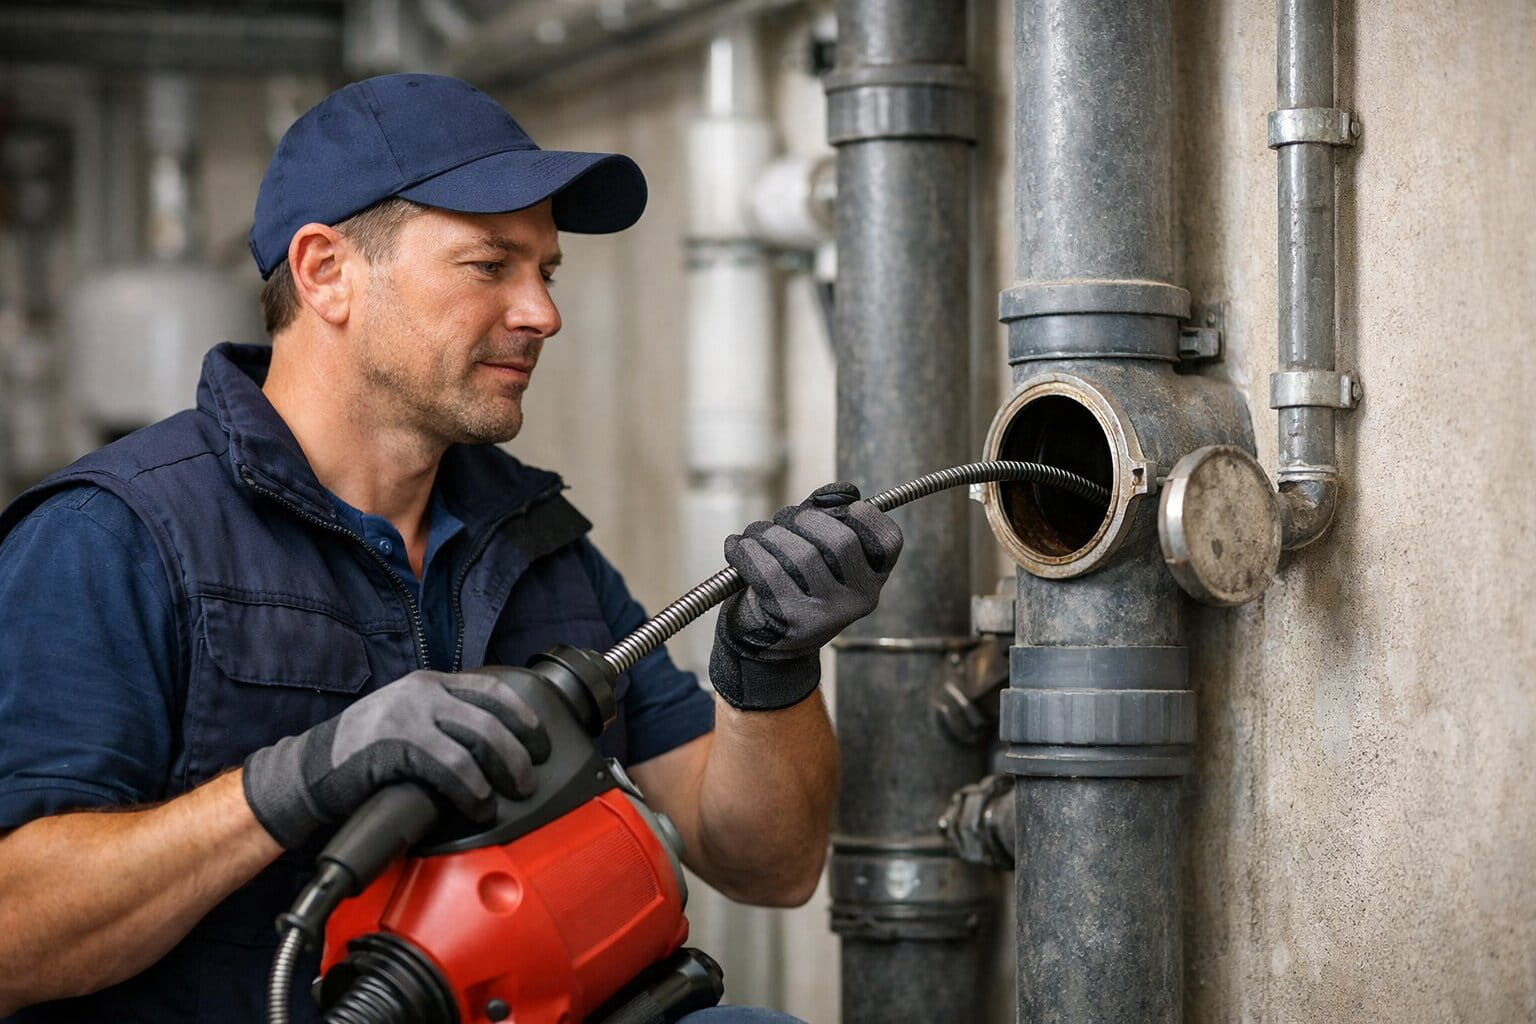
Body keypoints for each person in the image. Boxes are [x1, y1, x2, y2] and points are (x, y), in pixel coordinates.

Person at [0, 74, 903, 1022]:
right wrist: (291, 782)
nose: (542, 313)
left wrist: (772, 667)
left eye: (545, 272)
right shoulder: (114, 537)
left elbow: (766, 863)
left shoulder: (533, 542)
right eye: (489, 266)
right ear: (324, 272)